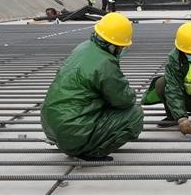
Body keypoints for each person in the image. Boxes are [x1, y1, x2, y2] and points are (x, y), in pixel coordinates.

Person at [40, 12, 144, 161]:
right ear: (114, 45)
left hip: (52, 126)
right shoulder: (105, 62)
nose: (122, 50)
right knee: (135, 114)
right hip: (74, 131)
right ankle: (90, 152)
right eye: (121, 47)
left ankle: (73, 143)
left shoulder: (83, 47)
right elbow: (124, 100)